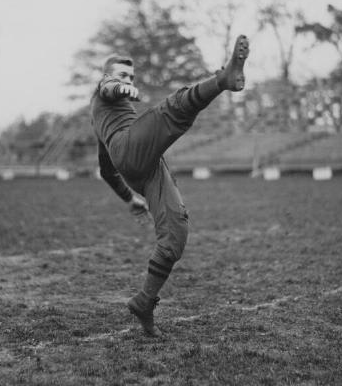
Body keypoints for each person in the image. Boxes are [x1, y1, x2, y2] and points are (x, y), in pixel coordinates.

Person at [90, 35, 250, 336]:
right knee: (171, 110)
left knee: (176, 232)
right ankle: (223, 79)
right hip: (128, 148)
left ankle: (144, 301)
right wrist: (121, 86)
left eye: (131, 77)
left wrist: (129, 199)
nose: (128, 80)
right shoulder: (103, 93)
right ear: (106, 76)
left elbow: (105, 170)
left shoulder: (103, 117)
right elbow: (108, 89)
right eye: (122, 74)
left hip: (142, 169)